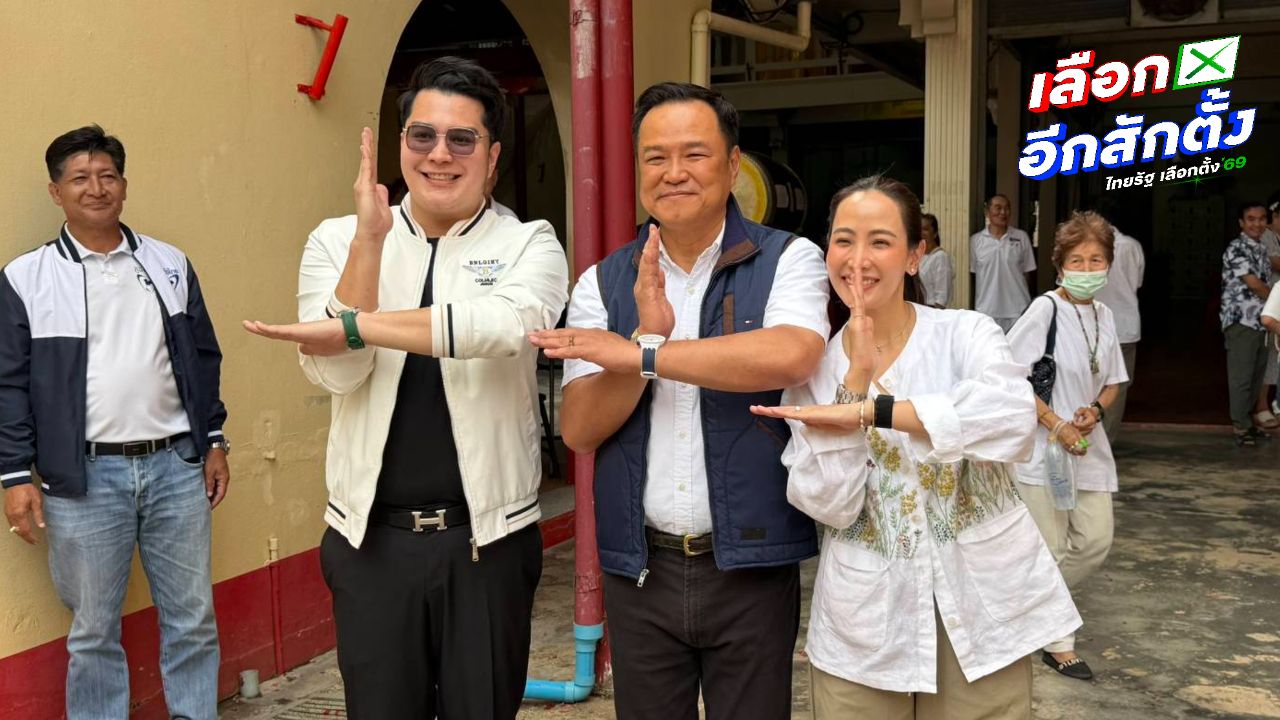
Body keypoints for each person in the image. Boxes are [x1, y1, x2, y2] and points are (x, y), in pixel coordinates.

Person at [244, 57, 568, 718]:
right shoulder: (336, 239)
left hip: (488, 542)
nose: (439, 154)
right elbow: (336, 371)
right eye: (423, 136)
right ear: (401, 146)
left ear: (493, 156)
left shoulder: (529, 243)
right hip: (370, 543)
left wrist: (355, 325)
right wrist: (369, 241)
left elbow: (501, 327)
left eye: (462, 139)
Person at [529, 82, 829, 719]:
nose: (674, 172)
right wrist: (645, 335)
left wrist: (642, 355)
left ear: (732, 163)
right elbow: (579, 429)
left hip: (750, 565)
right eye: (655, 157)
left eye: (694, 154)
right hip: (641, 569)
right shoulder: (603, 280)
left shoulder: (788, 257)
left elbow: (792, 354)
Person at [753, 176, 1079, 718]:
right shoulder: (814, 371)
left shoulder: (965, 333)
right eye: (843, 240)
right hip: (867, 620)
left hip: (981, 605)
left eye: (880, 241)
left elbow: (1012, 419)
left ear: (914, 256)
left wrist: (873, 412)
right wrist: (854, 380)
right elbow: (828, 505)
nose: (858, 259)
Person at [0, 125, 229, 719]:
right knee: (94, 631)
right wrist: (13, 475)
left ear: (124, 185)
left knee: (192, 618)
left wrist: (213, 439)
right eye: (80, 178)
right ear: (56, 192)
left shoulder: (168, 263)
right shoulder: (27, 277)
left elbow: (203, 358)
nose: (96, 188)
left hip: (176, 466)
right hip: (83, 478)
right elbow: (9, 383)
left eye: (107, 176)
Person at [1007, 211, 1127, 680]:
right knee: (1052, 547)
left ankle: (1025, 608)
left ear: (1108, 264)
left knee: (1095, 541)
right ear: (1060, 265)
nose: (1087, 268)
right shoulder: (1046, 310)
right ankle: (1058, 644)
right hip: (1045, 450)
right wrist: (1055, 423)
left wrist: (1094, 411)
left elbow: (1112, 381)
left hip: (1088, 446)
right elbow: (1009, 375)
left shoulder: (1105, 315)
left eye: (1096, 259)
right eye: (1077, 260)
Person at [1218, 202, 1273, 446]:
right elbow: (1255, 285)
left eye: (1261, 219)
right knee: (1241, 377)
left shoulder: (1260, 248)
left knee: (1255, 376)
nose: (1256, 223)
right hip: (1242, 321)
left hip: (1261, 321)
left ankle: (1248, 423)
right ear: (1241, 223)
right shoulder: (1236, 248)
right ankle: (1240, 426)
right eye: (1251, 219)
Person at [1092, 222, 1145, 440]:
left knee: (1090, 381)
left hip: (1094, 325)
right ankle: (1106, 439)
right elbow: (1138, 283)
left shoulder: (1088, 246)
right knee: (1118, 385)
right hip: (1125, 324)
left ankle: (1089, 436)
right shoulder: (1132, 246)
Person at [970, 194, 1035, 332]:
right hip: (987, 310)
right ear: (987, 212)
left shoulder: (1021, 237)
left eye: (1007, 208)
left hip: (1018, 309)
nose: (1003, 212)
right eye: (998, 208)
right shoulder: (976, 241)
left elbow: (1027, 273)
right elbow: (974, 275)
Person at [1252, 199, 1280, 428]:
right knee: (1269, 355)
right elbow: (1275, 263)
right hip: (1268, 302)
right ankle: (1261, 405)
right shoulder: (1266, 237)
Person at [918, 212, 954, 308]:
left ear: (934, 233)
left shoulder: (940, 257)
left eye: (925, 229)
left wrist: (933, 315)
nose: (921, 233)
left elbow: (942, 297)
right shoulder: (918, 257)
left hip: (931, 309)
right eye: (919, 229)